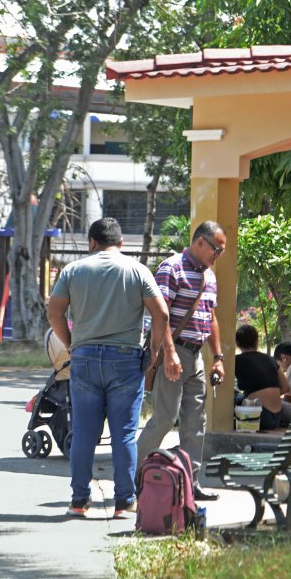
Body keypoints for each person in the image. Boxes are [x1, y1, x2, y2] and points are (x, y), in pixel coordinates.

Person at [47, 217, 179, 518]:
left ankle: (79, 501)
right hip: (125, 360)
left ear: (92, 243)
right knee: (124, 435)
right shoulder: (137, 270)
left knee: (83, 433)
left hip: (85, 358)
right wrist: (155, 351)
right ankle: (123, 503)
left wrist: (71, 343)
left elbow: (54, 311)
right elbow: (161, 315)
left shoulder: (74, 270)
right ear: (120, 243)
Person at [136, 220, 227, 501]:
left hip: (196, 356)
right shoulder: (171, 268)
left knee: (195, 423)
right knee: (164, 418)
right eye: (216, 249)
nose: (218, 255)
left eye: (222, 251)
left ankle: (191, 482)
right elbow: (159, 316)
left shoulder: (209, 276)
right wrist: (170, 353)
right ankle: (135, 477)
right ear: (200, 242)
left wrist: (218, 357)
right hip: (173, 353)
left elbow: (209, 317)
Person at [234, 325, 291, 431]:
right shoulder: (271, 360)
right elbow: (286, 387)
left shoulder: (236, 360)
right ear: (256, 342)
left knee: (234, 396)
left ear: (237, 343)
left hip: (258, 416)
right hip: (277, 418)